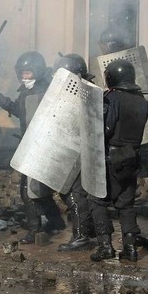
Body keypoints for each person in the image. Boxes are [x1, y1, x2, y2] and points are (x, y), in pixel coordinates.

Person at [0, 51, 66, 244]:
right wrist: (5, 103)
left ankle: (35, 230)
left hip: (43, 146)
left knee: (28, 191)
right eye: (22, 73)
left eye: (28, 73)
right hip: (31, 145)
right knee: (38, 188)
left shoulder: (46, 91)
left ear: (38, 71)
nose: (25, 77)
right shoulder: (28, 91)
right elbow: (22, 111)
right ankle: (55, 221)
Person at [89, 59, 148, 263]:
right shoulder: (141, 100)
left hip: (111, 157)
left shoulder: (112, 98)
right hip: (132, 157)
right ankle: (130, 249)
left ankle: (105, 247)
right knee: (126, 204)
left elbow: (106, 129)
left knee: (97, 200)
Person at [52, 54, 97, 251]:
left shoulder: (86, 93)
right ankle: (89, 230)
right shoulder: (77, 90)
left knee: (74, 195)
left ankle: (81, 236)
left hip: (80, 153)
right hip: (71, 150)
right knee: (74, 193)